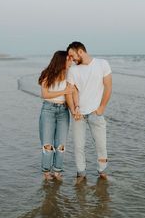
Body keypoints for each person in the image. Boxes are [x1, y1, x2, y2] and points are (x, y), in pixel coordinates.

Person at [65, 41, 112, 182]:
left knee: (101, 145)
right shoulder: (73, 70)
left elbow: (108, 86)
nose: (72, 59)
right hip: (79, 114)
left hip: (95, 113)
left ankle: (102, 172)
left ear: (80, 51)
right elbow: (69, 92)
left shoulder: (102, 64)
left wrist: (101, 108)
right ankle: (81, 174)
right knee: (79, 146)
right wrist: (73, 110)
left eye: (72, 55)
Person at [38, 51, 73, 180]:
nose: (71, 61)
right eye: (68, 59)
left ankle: (57, 172)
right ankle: (46, 173)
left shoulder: (70, 74)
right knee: (47, 145)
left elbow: (72, 94)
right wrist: (64, 91)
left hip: (64, 111)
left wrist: (75, 110)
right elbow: (45, 94)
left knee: (61, 145)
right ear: (61, 61)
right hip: (48, 110)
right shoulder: (47, 74)